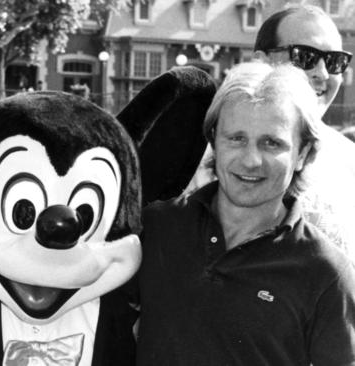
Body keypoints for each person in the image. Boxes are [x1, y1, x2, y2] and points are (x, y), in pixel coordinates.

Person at [136, 62, 355, 365]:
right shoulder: (156, 228)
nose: (251, 160)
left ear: (303, 154)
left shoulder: (326, 272)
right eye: (236, 138)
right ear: (214, 141)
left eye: (271, 143)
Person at [186, 5, 355, 262]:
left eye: (334, 62)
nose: (322, 73)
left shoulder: (348, 160)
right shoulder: (204, 156)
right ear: (261, 60)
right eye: (304, 56)